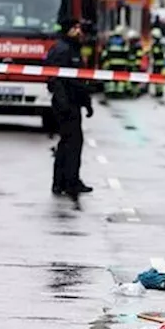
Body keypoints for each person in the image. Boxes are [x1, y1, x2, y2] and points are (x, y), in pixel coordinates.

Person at [47, 20, 93, 198]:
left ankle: (63, 181)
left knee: (69, 142)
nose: (81, 33)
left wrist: (87, 102)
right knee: (71, 143)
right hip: (66, 104)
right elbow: (55, 79)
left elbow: (79, 81)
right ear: (70, 30)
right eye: (78, 29)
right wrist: (63, 102)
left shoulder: (72, 48)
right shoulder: (62, 49)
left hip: (72, 102)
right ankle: (68, 182)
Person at [100, 28, 131, 100]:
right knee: (120, 78)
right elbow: (127, 53)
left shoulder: (110, 41)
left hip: (111, 63)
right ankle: (119, 93)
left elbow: (105, 53)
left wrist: (104, 61)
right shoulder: (123, 42)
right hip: (122, 64)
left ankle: (111, 92)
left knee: (111, 78)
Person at [149, 27, 165, 98]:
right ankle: (159, 91)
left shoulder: (156, 45)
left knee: (157, 78)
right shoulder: (160, 44)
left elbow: (155, 53)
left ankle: (158, 92)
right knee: (159, 78)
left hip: (157, 63)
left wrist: (150, 51)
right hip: (160, 63)